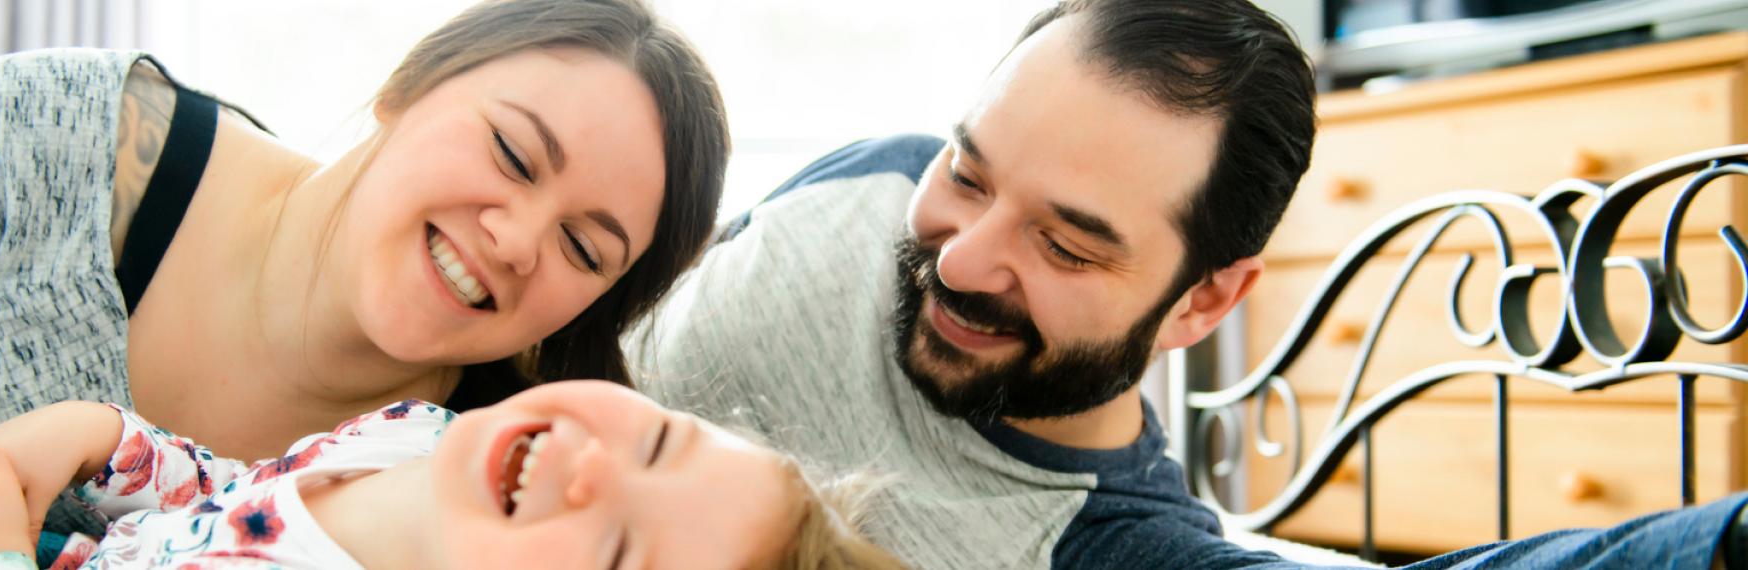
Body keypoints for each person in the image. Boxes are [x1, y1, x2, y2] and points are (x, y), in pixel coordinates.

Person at [624, 0, 1748, 568]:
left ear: (1207, 302)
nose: (963, 259)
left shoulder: (1107, 547)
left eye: (1068, 247)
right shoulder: (871, 176)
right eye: (968, 172)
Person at [0, 0, 727, 567]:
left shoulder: (455, 494)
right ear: (406, 87)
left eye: (583, 247)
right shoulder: (63, 144)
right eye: (511, 151)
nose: (519, 240)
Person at [0, 380, 904, 569]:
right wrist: (99, 439)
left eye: (613, 559)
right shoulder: (421, 436)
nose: (595, 465)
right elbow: (235, 503)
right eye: (658, 443)